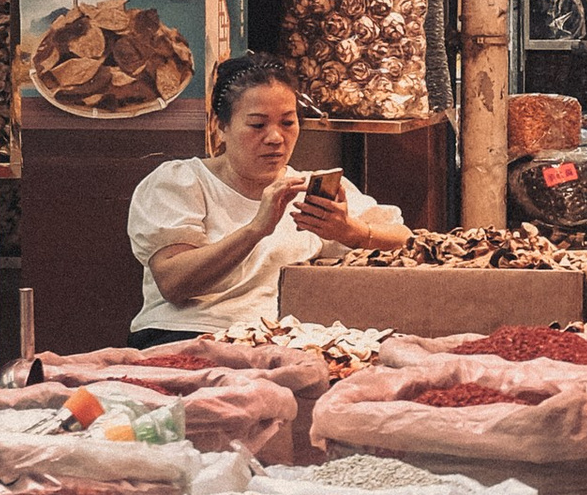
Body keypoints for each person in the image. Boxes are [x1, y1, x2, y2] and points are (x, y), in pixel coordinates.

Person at [125, 51, 409, 341]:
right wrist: (256, 229)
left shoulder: (310, 187)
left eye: (287, 123)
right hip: (187, 333)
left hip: (279, 337)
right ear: (220, 127)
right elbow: (173, 283)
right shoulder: (182, 181)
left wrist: (351, 232)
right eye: (258, 125)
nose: (275, 138)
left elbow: (405, 240)